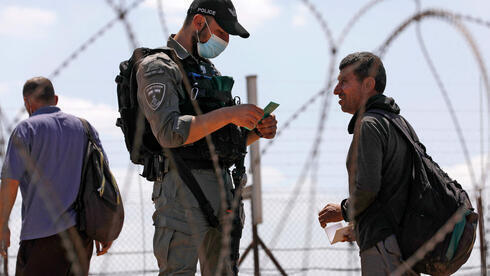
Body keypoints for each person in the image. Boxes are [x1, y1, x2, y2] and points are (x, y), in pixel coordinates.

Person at [134, 0, 277, 275]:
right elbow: (169, 131)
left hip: (221, 189)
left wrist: (253, 132)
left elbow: (215, 139)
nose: (225, 41)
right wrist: (229, 114)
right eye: (222, 32)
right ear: (199, 22)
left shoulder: (208, 71)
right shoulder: (158, 67)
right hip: (181, 189)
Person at [317, 52, 417, 275]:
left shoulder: (370, 124)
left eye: (344, 82)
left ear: (368, 84)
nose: (336, 90)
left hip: (383, 246)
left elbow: (368, 188)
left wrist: (342, 210)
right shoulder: (400, 124)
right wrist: (359, 227)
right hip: (404, 244)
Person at [0, 77, 112, 276]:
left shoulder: (25, 130)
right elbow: (102, 180)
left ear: (27, 102)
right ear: (56, 99)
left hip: (41, 236)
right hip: (81, 236)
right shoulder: (86, 129)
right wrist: (103, 227)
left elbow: (10, 183)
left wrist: (2, 225)